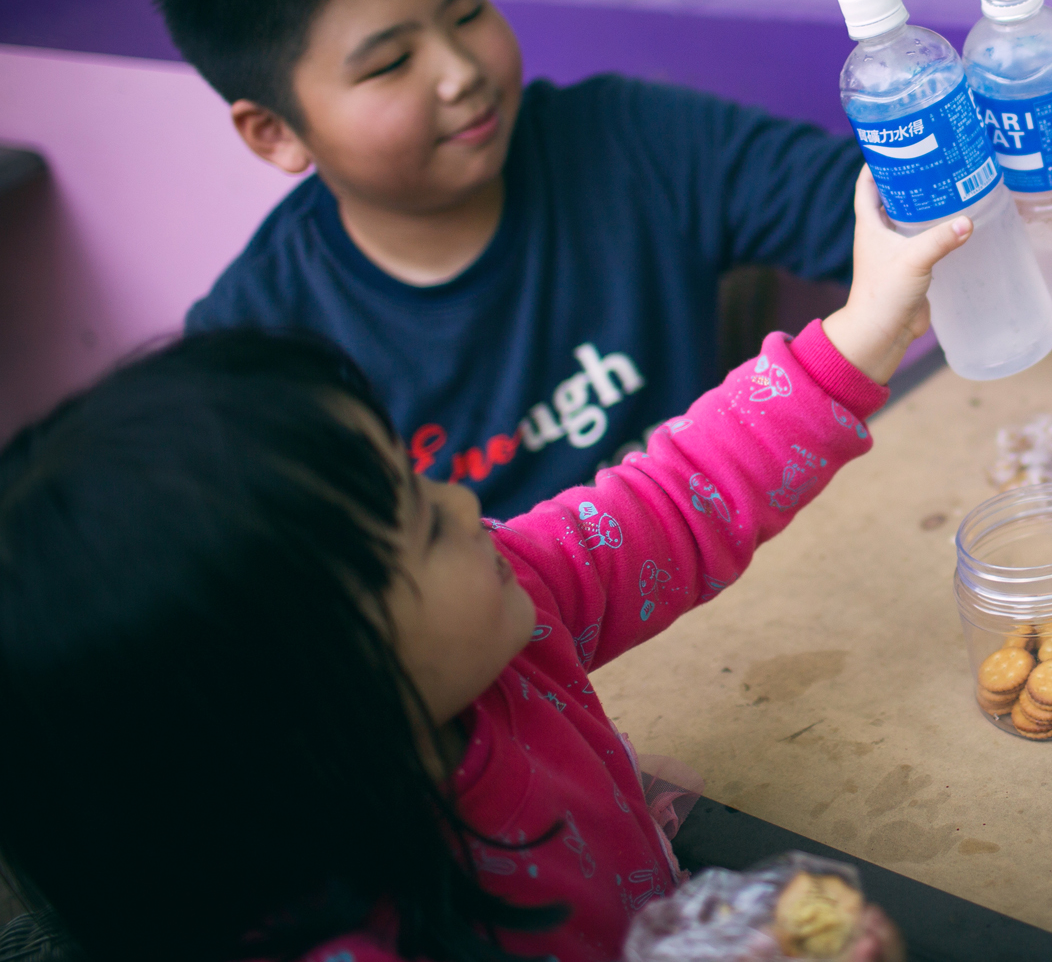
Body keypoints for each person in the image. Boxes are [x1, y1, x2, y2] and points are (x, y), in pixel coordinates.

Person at [0, 168, 958, 962]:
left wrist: (864, 327)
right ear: (320, 698)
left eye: (417, 481)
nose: (465, 505)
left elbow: (671, 501)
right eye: (418, 526)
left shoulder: (507, 607)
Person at [158, 0, 864, 516]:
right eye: (389, 64)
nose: (460, 71)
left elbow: (880, 212)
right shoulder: (257, 348)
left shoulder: (634, 139)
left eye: (466, 14)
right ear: (274, 131)